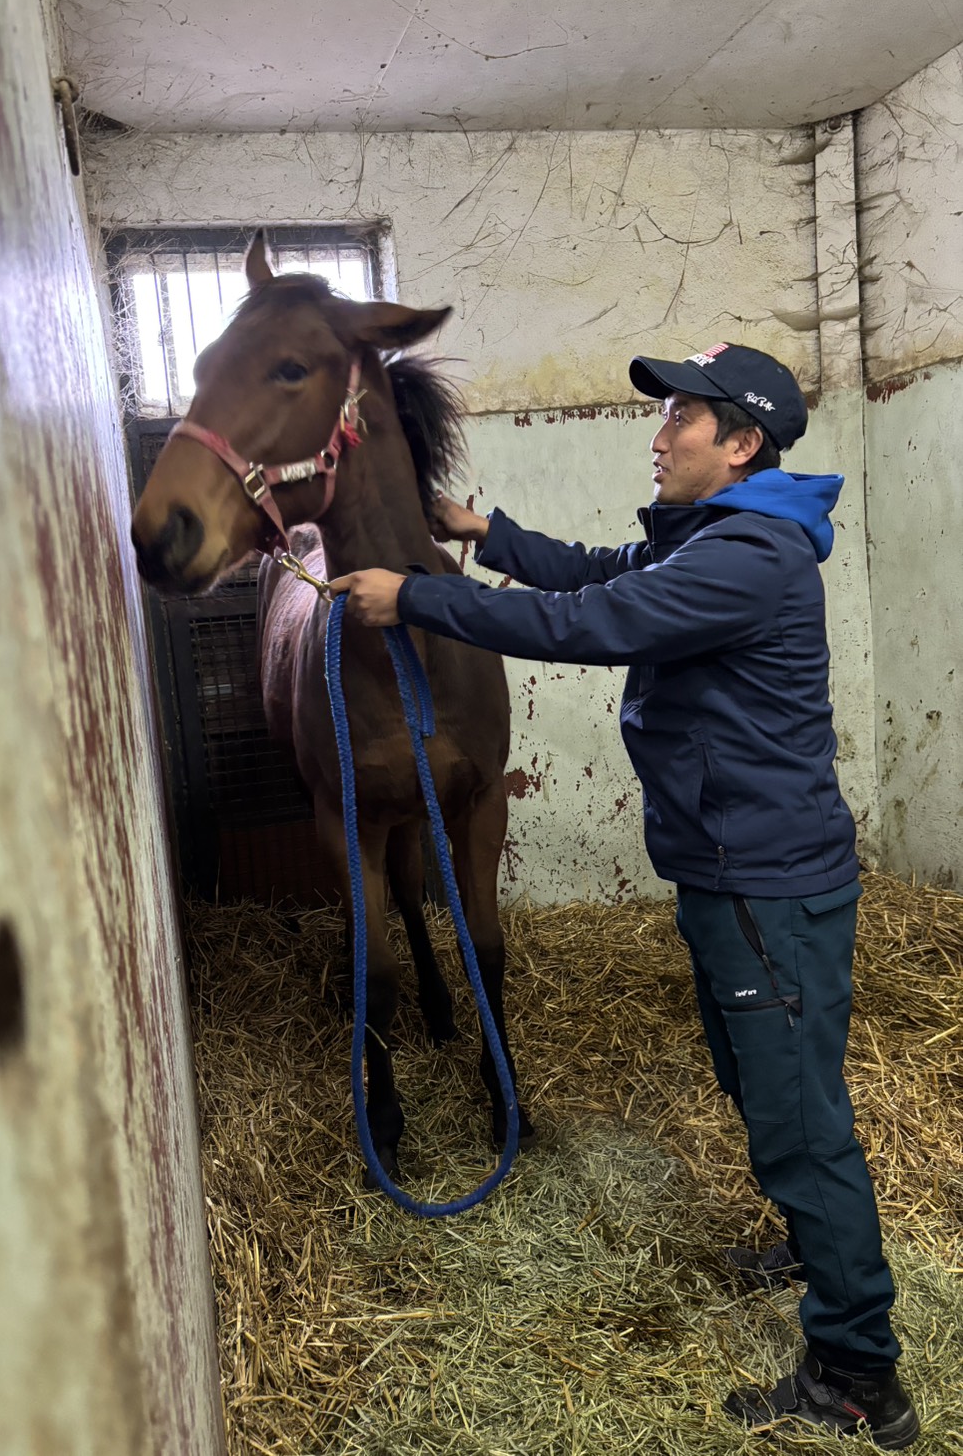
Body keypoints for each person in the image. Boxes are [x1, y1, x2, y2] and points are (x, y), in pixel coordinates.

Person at [328, 342, 920, 1449]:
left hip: (764, 887)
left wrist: (417, 597)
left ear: (740, 443)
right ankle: (815, 1249)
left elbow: (587, 624)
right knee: (765, 1091)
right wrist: (486, 533)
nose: (658, 436)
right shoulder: (719, 533)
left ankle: (857, 1372)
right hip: (731, 875)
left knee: (803, 1129)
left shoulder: (749, 557)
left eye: (679, 419)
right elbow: (603, 570)